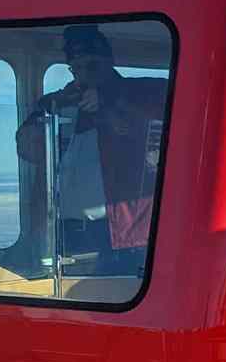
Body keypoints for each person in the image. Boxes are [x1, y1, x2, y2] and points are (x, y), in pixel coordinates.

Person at [15, 25, 168, 272]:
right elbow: (26, 149)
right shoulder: (60, 103)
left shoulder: (140, 94)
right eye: (77, 68)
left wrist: (108, 101)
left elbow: (160, 106)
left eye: (93, 66)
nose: (84, 74)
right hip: (64, 233)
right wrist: (51, 109)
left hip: (118, 236)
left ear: (109, 62)